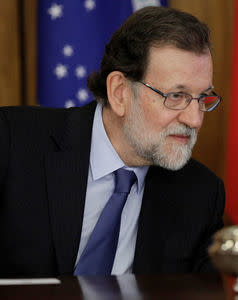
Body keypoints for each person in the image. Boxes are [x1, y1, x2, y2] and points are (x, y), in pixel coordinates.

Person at [0, 6, 225, 277]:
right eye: (176, 96)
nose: (195, 120)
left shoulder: (200, 194)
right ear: (119, 92)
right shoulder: (12, 142)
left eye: (203, 98)